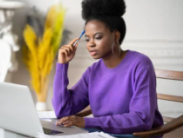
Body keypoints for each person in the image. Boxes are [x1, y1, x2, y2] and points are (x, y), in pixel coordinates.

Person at [52, 0, 163, 137]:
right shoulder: (93, 72)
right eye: (87, 39)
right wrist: (62, 65)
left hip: (136, 135)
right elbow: (62, 110)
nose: (91, 44)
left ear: (115, 36)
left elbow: (142, 119)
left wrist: (86, 122)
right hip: (102, 134)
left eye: (97, 37)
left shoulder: (140, 64)